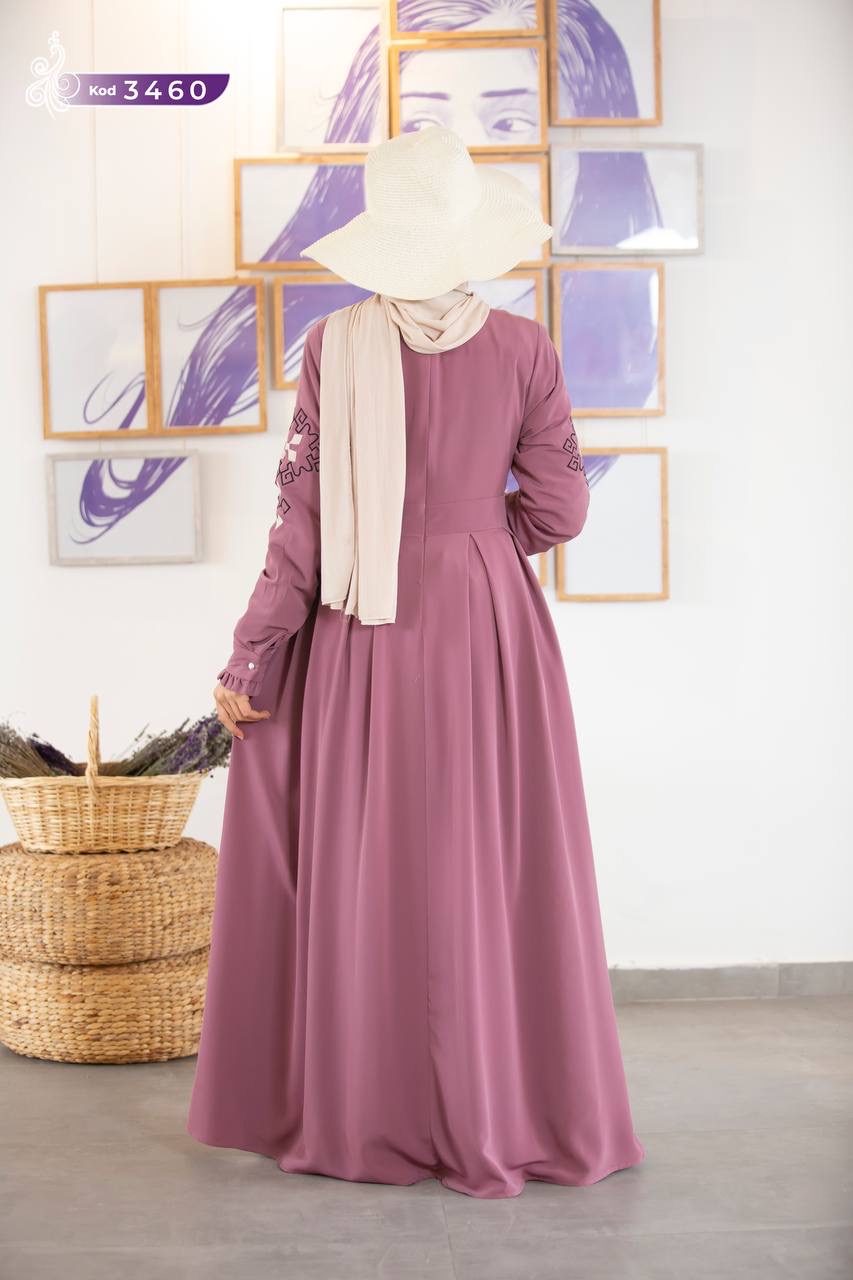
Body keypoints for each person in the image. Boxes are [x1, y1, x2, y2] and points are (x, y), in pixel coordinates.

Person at [186, 125, 646, 1200]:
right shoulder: (524, 347)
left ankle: (369, 1110)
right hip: (487, 622)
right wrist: (480, 542)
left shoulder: (334, 345)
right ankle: (504, 1105)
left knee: (372, 856)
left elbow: (301, 523)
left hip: (364, 621)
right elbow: (561, 509)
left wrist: (251, 657)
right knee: (492, 854)